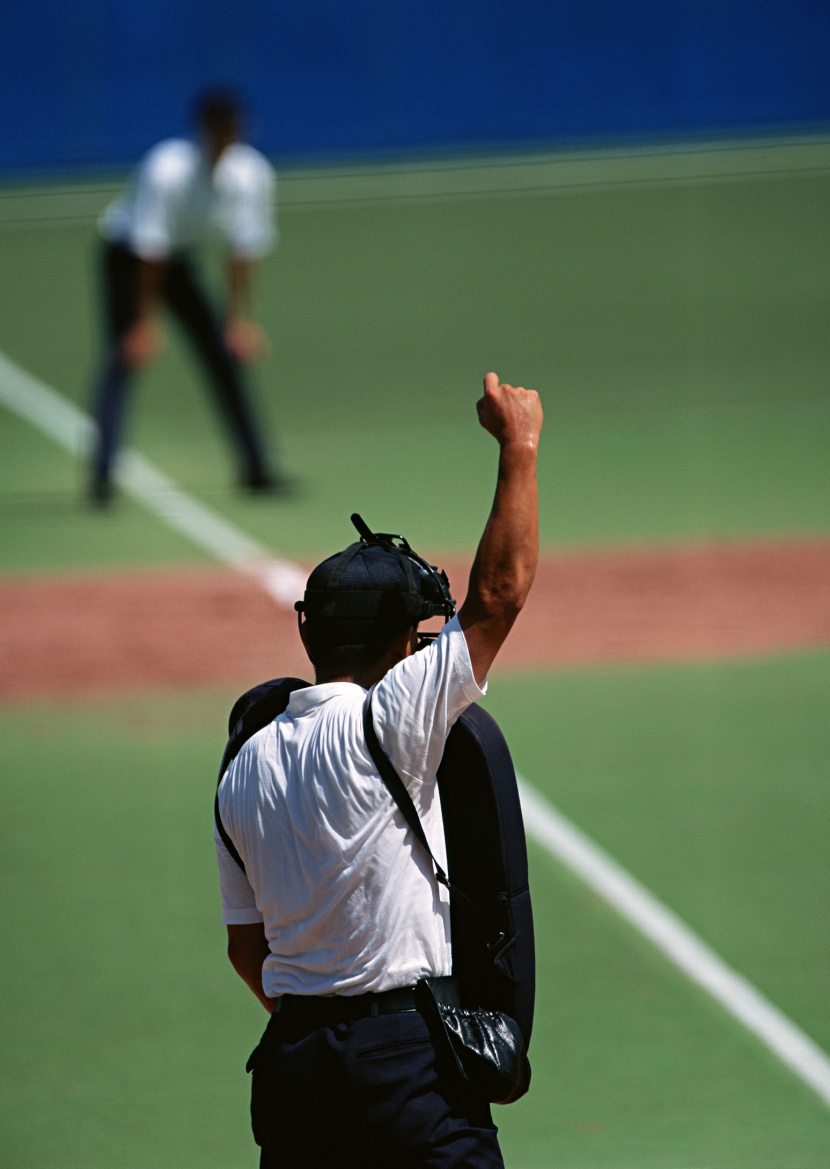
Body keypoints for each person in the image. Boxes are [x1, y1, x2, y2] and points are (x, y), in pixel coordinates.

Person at [215, 372, 543, 1168]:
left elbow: (246, 948)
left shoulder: (243, 761)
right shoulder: (391, 720)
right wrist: (519, 448)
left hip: (293, 1067)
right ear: (400, 646)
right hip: (405, 1066)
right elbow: (497, 596)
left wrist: (321, 1012)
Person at [89, 88, 290, 504]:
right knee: (124, 356)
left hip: (178, 263)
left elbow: (242, 251)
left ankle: (256, 470)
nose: (227, 138)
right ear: (203, 129)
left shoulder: (251, 173)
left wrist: (239, 319)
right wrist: (143, 323)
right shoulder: (166, 169)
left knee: (223, 355)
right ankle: (102, 479)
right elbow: (149, 251)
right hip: (129, 259)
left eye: (233, 130)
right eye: (220, 130)